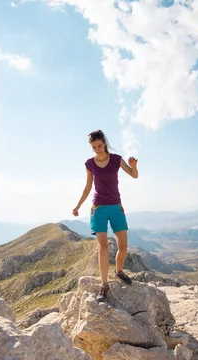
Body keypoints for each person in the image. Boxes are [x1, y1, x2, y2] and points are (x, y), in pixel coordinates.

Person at [72, 129, 138, 302]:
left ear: (105, 143)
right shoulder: (89, 164)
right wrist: (78, 205)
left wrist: (134, 166)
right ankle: (104, 284)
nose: (97, 149)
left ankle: (118, 271)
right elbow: (88, 187)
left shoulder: (116, 159)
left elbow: (133, 175)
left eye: (99, 146)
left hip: (116, 206)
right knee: (103, 247)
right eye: (94, 147)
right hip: (98, 208)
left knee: (123, 246)